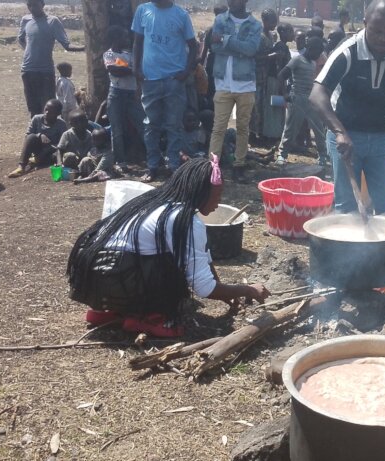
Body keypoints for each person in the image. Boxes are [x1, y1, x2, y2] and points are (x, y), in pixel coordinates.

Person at [67, 158, 271, 337]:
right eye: (217, 195)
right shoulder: (185, 220)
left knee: (166, 258)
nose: (219, 202)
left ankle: (107, 311)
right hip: (115, 273)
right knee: (174, 276)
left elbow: (202, 259)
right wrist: (249, 289)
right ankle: (149, 318)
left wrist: (229, 294)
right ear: (202, 192)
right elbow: (204, 288)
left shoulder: (158, 202)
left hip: (95, 276)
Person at [311, 0, 385, 216]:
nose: (382, 39)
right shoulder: (347, 52)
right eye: (376, 31)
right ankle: (348, 250)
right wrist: (339, 132)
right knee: (347, 206)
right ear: (364, 23)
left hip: (381, 137)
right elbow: (317, 94)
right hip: (347, 135)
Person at [132, 0, 200, 182]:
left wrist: (186, 72)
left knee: (174, 125)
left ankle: (174, 167)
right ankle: (152, 167)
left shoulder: (181, 15)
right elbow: (138, 42)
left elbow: (193, 46)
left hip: (174, 80)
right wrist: (136, 69)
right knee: (151, 125)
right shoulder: (143, 10)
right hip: (149, 79)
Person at [208, 0, 263, 183]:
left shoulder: (255, 24)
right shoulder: (220, 20)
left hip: (245, 83)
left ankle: (238, 166)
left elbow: (251, 49)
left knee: (242, 128)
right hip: (223, 82)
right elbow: (213, 47)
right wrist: (239, 48)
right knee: (218, 128)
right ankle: (212, 168)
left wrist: (225, 40)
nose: (231, 1)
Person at [19, 0, 84, 117]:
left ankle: (51, 133)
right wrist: (29, 51)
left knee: (49, 107)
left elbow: (67, 45)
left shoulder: (52, 21)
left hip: (45, 71)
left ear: (43, 5)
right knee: (33, 107)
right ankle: (35, 132)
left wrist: (85, 47)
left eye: (35, 5)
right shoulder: (25, 20)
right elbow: (21, 39)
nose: (32, 8)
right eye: (29, 5)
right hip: (27, 70)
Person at [276, 36, 326, 166]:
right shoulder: (297, 60)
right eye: (318, 52)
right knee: (291, 128)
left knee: (318, 128)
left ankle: (322, 156)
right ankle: (282, 154)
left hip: (311, 99)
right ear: (311, 49)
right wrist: (285, 94)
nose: (319, 55)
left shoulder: (313, 63)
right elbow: (281, 75)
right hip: (297, 98)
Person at [103, 25, 145, 169]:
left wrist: (127, 70)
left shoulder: (130, 54)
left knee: (143, 125)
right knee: (117, 129)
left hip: (131, 94)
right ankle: (120, 161)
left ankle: (145, 156)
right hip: (116, 94)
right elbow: (114, 70)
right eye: (124, 37)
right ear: (116, 39)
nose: (127, 39)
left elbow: (129, 70)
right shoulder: (109, 55)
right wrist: (132, 70)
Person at [8, 99, 67, 177]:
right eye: (46, 109)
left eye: (51, 111)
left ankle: (38, 160)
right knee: (31, 137)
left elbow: (63, 143)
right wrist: (39, 135)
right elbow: (28, 136)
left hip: (51, 152)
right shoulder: (37, 119)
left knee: (59, 156)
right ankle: (21, 167)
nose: (47, 112)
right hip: (38, 149)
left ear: (58, 113)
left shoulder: (61, 124)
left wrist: (49, 148)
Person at [256, 19, 291, 146]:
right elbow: (279, 69)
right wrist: (282, 88)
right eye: (290, 31)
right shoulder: (281, 47)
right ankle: (271, 135)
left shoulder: (281, 45)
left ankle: (272, 134)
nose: (292, 34)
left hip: (276, 80)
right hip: (275, 81)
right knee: (274, 107)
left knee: (275, 107)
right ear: (283, 33)